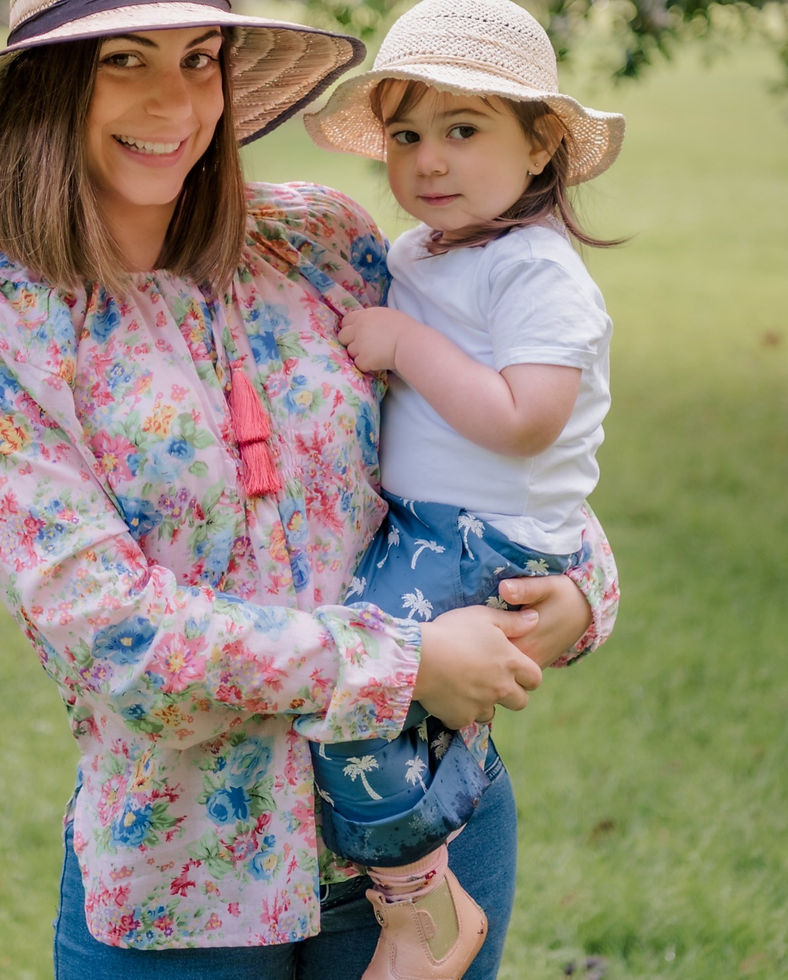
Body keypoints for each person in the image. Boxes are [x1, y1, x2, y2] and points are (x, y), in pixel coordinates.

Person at [0, 1, 619, 978]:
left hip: (428, 820)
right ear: (46, 87)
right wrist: (403, 661)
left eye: (200, 58)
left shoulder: (318, 240)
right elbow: (112, 628)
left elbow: (497, 453)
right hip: (184, 886)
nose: (175, 100)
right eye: (124, 60)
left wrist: (581, 591)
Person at [302, 0, 625, 975]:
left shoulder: (534, 272)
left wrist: (407, 346)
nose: (426, 161)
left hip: (482, 537)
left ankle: (419, 913)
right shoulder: (423, 253)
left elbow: (525, 418)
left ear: (539, 148)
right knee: (392, 695)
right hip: (432, 525)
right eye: (405, 135)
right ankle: (437, 831)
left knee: (357, 692)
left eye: (461, 130)